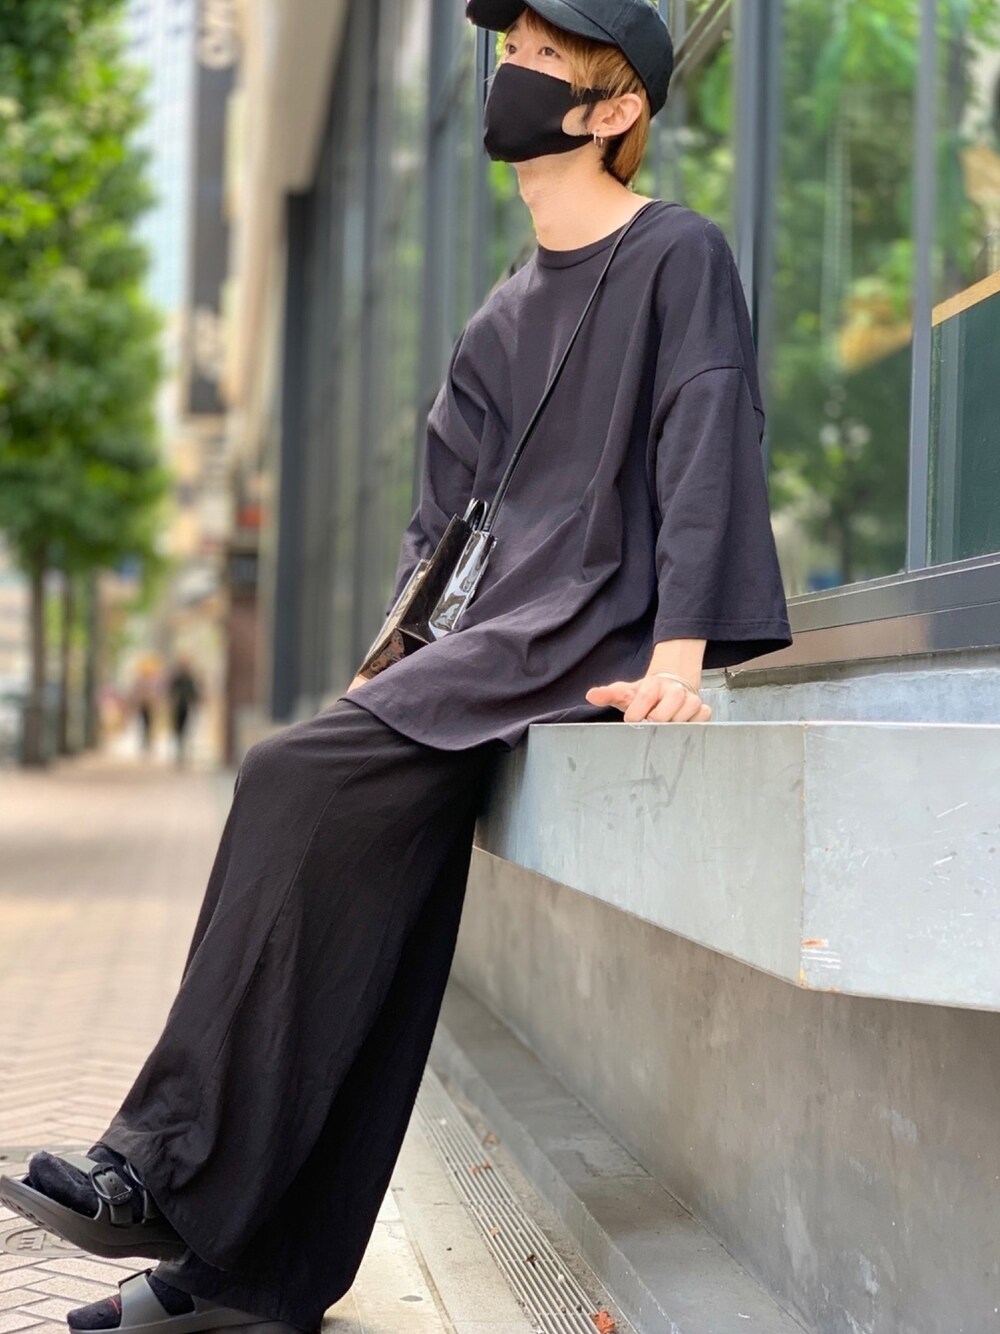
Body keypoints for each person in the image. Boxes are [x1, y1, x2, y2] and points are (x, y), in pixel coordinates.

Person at [0, 4, 791, 1333]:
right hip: (481, 652)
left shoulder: (677, 253)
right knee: (379, 920)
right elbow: (437, 530)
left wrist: (680, 653)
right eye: (509, 53)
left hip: (583, 631)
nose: (506, 75)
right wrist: (386, 673)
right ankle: (251, 1281)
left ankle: (160, 1166)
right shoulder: (499, 315)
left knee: (285, 776)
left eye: (539, 61)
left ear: (612, 112)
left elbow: (705, 432)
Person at [167, 658, 200, 768]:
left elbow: (193, 693)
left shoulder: (189, 679)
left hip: (185, 707)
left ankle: (183, 752)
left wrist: (194, 702)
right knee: (178, 730)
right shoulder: (178, 679)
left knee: (185, 730)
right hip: (178, 707)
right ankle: (179, 752)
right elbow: (172, 692)